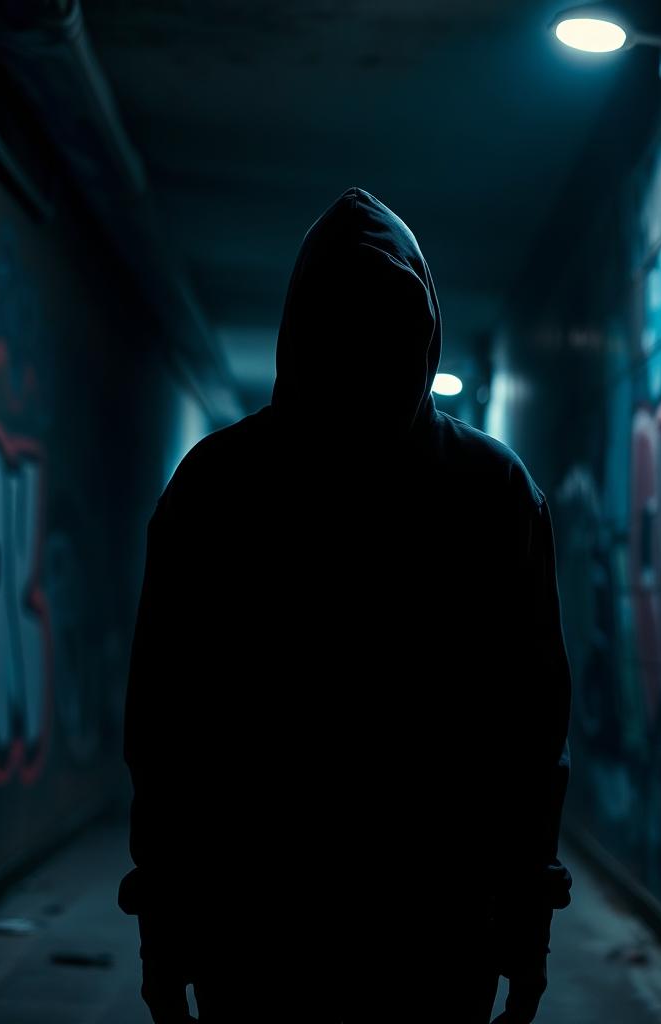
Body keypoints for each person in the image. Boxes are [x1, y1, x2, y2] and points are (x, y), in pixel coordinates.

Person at [118, 185, 573, 1023]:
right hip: (434, 931)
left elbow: (166, 725)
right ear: (429, 331)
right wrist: (524, 938)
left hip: (257, 930)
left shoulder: (218, 487)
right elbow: (529, 727)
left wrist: (166, 938)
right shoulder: (494, 492)